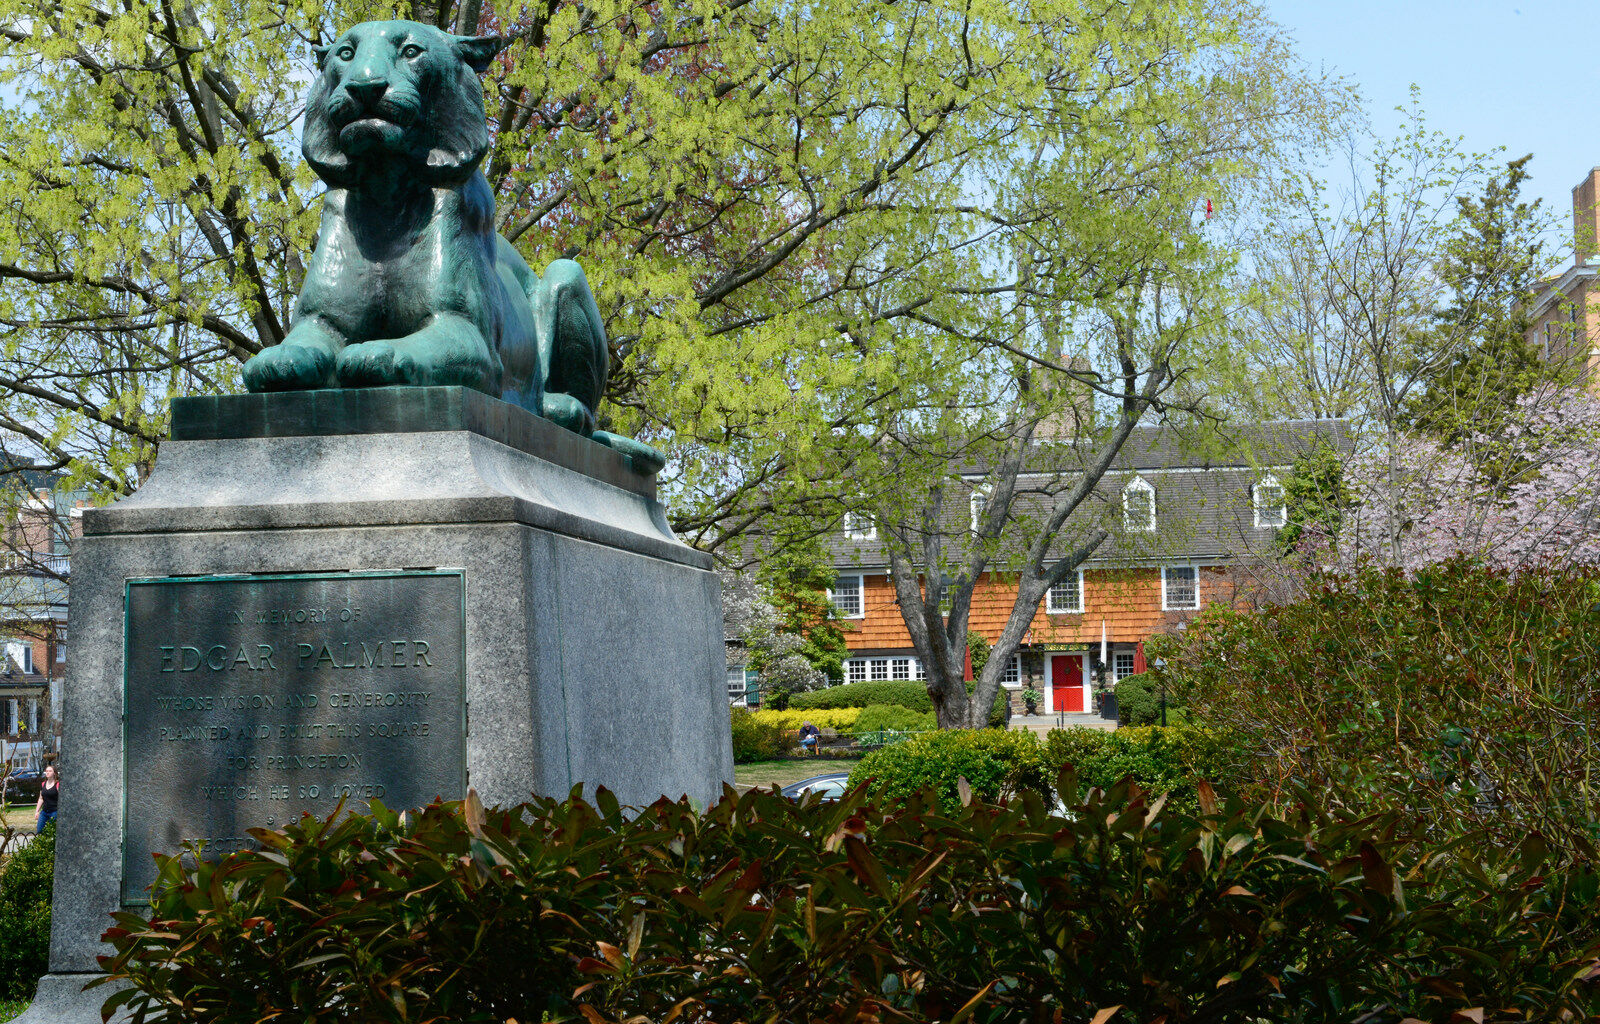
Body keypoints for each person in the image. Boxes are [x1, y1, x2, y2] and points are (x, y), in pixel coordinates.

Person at [35, 764, 58, 834]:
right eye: (46, 771)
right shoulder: (43, 784)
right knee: (39, 830)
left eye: (50, 771)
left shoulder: (57, 784)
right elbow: (41, 798)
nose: (47, 772)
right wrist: (37, 811)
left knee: (52, 831)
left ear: (54, 773)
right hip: (44, 811)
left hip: (54, 811)